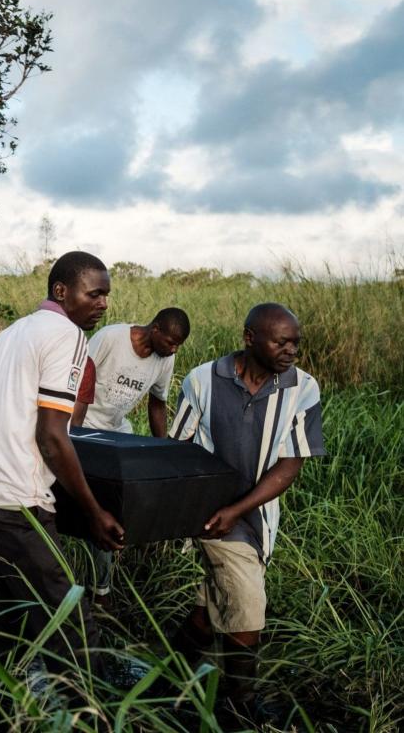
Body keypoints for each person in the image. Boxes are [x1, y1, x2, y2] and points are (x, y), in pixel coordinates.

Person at [0, 250, 124, 676]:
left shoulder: (9, 335)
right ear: (61, 291)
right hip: (19, 507)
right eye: (95, 293)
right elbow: (53, 436)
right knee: (73, 628)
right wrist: (93, 512)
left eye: (106, 295)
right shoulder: (66, 336)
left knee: (12, 612)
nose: (103, 304)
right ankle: (89, 717)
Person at [168, 303, 323, 722]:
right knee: (248, 603)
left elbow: (291, 463)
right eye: (281, 341)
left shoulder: (302, 388)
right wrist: (180, 510)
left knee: (213, 603)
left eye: (295, 342)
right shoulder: (203, 380)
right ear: (249, 337)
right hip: (209, 514)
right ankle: (238, 703)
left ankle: (169, 676)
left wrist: (240, 509)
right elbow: (178, 449)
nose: (291, 350)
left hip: (254, 516)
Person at [71, 307, 190, 603]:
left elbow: (157, 404)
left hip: (117, 431)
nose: (174, 349)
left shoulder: (165, 359)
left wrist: (163, 450)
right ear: (156, 329)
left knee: (130, 499)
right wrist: (75, 433)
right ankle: (100, 589)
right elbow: (78, 377)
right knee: (95, 505)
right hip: (85, 427)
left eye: (178, 345)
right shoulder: (112, 338)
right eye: (171, 342)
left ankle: (131, 558)